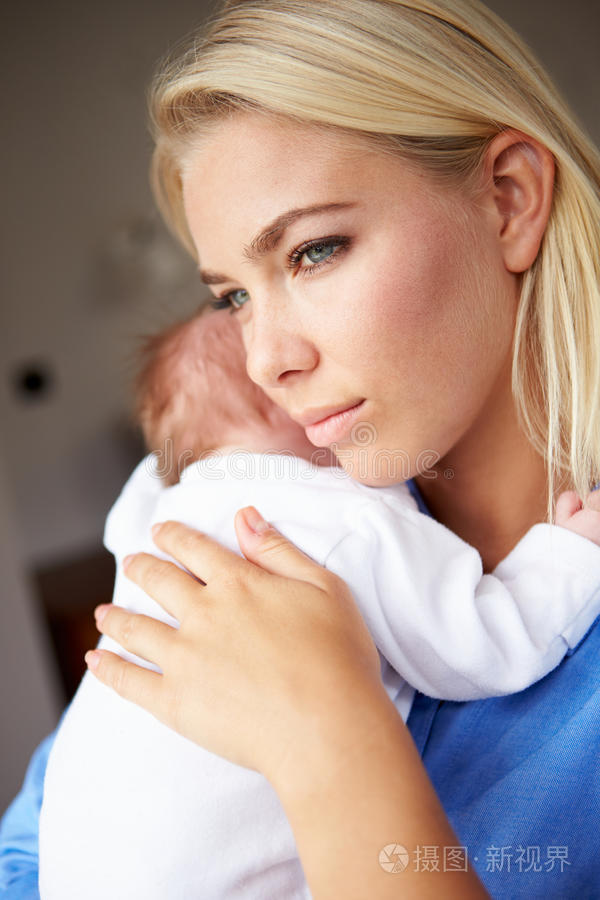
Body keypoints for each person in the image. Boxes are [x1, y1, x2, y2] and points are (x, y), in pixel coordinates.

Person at [2, 0, 600, 896]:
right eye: (234, 296)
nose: (269, 360)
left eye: (315, 251)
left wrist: (328, 741)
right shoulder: (228, 533)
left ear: (509, 201)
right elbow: (31, 854)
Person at [37, 307, 600, 899]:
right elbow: (485, 645)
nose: (277, 356)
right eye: (236, 298)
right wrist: (569, 554)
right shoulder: (341, 518)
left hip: (79, 846)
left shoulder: (149, 519)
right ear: (269, 401)